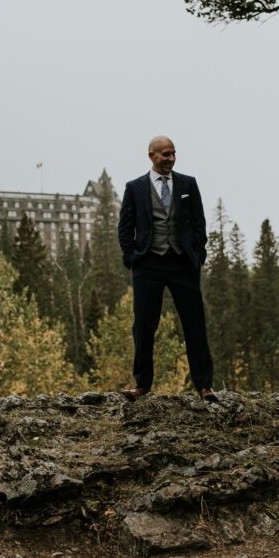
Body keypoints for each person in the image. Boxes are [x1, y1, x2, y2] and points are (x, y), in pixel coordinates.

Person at [117, 135, 216, 402]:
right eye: (165, 154)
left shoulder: (188, 184)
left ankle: (204, 386)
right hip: (148, 264)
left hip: (183, 263)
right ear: (151, 156)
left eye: (173, 154)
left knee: (194, 324)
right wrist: (131, 258)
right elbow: (125, 227)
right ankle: (142, 384)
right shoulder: (134, 188)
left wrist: (198, 255)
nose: (171, 159)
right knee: (144, 326)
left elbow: (199, 222)